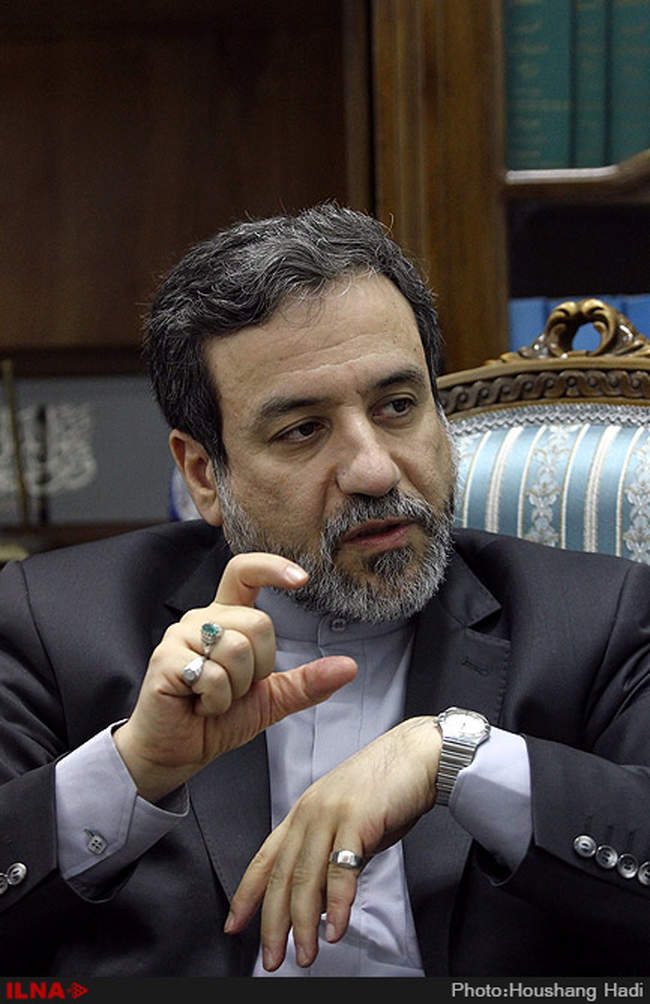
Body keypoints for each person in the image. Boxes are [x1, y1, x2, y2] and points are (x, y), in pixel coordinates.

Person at [0, 203, 648, 979]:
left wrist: (457, 757)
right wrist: (134, 768)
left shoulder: (595, 620)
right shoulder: (56, 622)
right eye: (303, 430)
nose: (374, 470)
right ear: (204, 474)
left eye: (398, 407)